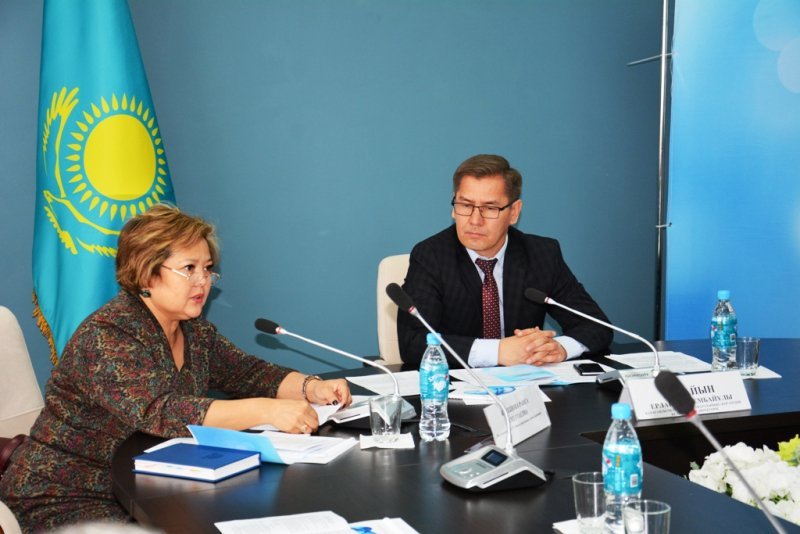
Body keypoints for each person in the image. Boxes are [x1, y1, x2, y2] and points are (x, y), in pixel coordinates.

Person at [0, 205, 351, 533]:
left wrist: (312, 387)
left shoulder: (194, 330)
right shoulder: (107, 335)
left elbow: (249, 373)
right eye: (189, 268)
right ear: (146, 272)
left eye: (207, 268)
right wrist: (267, 410)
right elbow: (160, 411)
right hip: (65, 496)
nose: (203, 281)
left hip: (150, 488)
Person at [397, 154, 612, 368]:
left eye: (490, 208)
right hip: (459, 384)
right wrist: (498, 352)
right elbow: (413, 342)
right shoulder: (431, 256)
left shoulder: (541, 254)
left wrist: (559, 348)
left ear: (514, 212)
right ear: (454, 207)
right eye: (465, 205)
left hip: (528, 384)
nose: (475, 220)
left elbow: (597, 326)